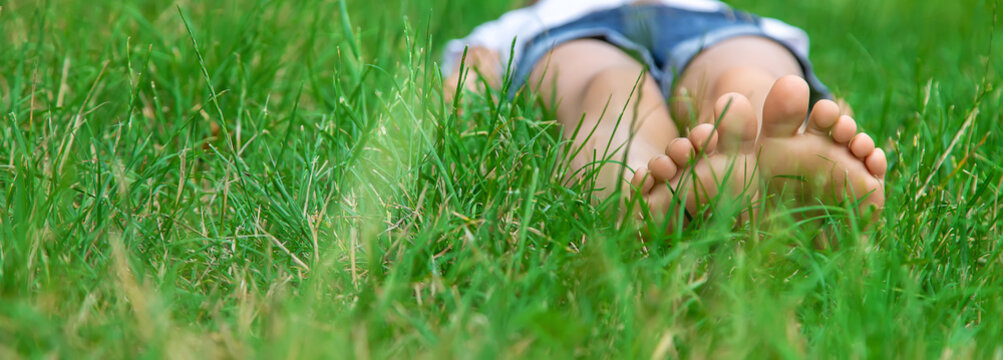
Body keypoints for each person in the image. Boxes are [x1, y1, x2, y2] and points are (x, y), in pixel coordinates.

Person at [441, 0, 886, 226]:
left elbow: (465, 83)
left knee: (741, 76)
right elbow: (468, 74)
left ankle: (775, 152)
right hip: (578, 29)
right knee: (615, 90)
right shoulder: (518, 23)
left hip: (705, 23)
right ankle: (642, 187)